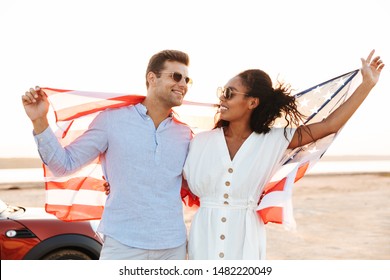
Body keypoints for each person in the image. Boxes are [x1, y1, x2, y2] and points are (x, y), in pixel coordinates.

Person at [182, 50, 385, 260]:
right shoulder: (200, 142)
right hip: (204, 236)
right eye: (222, 92)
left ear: (252, 102)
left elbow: (329, 125)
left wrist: (367, 85)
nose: (222, 98)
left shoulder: (274, 140)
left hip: (246, 237)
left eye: (230, 93)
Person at [21, 50, 194, 260]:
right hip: (123, 244)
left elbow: (194, 184)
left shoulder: (185, 134)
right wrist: (39, 121)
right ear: (151, 78)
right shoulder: (111, 121)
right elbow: (63, 165)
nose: (183, 84)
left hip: (173, 246)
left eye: (187, 79)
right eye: (176, 76)